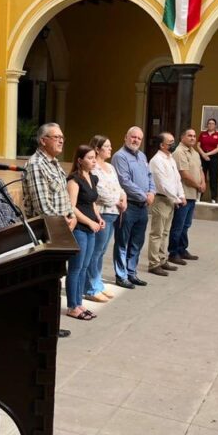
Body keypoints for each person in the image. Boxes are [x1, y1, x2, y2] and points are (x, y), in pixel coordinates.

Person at [22, 122, 76, 337]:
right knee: (46, 281)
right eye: (56, 137)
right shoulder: (36, 164)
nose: (61, 140)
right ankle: (43, 326)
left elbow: (63, 197)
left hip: (61, 229)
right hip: (47, 232)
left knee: (56, 280)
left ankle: (51, 324)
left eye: (62, 136)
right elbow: (43, 206)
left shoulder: (54, 163)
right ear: (43, 140)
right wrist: (65, 223)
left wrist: (71, 216)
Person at [112, 126, 155, 289]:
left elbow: (150, 176)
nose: (136, 140)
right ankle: (121, 276)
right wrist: (144, 195)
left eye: (139, 138)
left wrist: (152, 191)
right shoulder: (120, 156)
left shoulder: (142, 156)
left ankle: (131, 273)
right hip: (128, 205)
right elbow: (124, 181)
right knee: (123, 241)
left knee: (137, 241)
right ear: (126, 137)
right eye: (133, 137)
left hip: (142, 207)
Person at [84, 135, 126, 302]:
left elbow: (118, 186)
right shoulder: (94, 168)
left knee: (101, 252)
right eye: (107, 146)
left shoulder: (110, 167)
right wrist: (116, 201)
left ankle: (97, 283)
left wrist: (123, 198)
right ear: (97, 149)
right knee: (95, 252)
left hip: (114, 212)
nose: (110, 149)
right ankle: (91, 287)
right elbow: (99, 191)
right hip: (101, 212)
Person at [65, 145, 104, 320]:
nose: (93, 160)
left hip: (91, 227)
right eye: (89, 158)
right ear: (80, 161)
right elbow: (72, 207)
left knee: (85, 267)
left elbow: (92, 203)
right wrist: (89, 222)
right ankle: (72, 306)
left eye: (94, 157)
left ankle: (79, 303)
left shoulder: (93, 178)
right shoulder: (74, 180)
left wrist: (98, 218)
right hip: (80, 228)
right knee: (76, 268)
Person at [147, 133, 187, 277]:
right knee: (157, 233)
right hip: (161, 199)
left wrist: (181, 195)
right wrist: (176, 198)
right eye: (170, 142)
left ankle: (162, 259)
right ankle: (154, 263)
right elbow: (163, 184)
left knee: (165, 232)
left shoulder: (170, 159)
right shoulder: (157, 161)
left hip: (171, 199)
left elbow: (177, 180)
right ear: (161, 145)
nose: (173, 144)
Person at [169, 129, 204, 265]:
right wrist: (198, 185)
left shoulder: (194, 152)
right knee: (178, 225)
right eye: (189, 135)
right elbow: (184, 174)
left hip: (192, 194)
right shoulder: (179, 152)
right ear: (182, 137)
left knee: (186, 224)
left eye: (194, 136)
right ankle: (173, 252)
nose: (192, 138)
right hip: (184, 194)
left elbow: (200, 170)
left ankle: (182, 249)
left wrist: (203, 182)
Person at [197, 118, 218, 203]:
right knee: (201, 177)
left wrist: (207, 154)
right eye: (209, 123)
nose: (210, 125)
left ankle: (213, 197)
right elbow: (198, 145)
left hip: (214, 158)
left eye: (212, 123)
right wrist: (203, 154)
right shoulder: (203, 134)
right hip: (203, 157)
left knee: (213, 178)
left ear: (215, 125)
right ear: (207, 125)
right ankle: (199, 196)